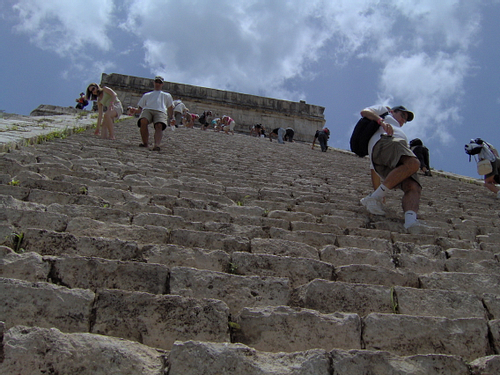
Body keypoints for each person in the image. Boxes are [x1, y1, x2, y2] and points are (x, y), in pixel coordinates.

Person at [359, 105, 424, 230]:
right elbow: (365, 111)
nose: (404, 120)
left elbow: (374, 170)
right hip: (386, 142)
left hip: (394, 154)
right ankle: (374, 197)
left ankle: (410, 222)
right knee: (414, 163)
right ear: (393, 111)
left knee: (414, 186)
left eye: (406, 119)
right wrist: (381, 121)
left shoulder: (400, 129)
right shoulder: (385, 111)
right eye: (403, 115)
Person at [135, 76, 174, 151]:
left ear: (162, 84)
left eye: (160, 82)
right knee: (143, 121)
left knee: (159, 125)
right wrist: (134, 111)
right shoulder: (147, 95)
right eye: (156, 82)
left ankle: (157, 145)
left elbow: (170, 107)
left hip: (161, 110)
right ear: (153, 82)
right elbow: (140, 108)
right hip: (148, 109)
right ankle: (145, 143)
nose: (158, 84)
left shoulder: (167, 95)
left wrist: (172, 117)